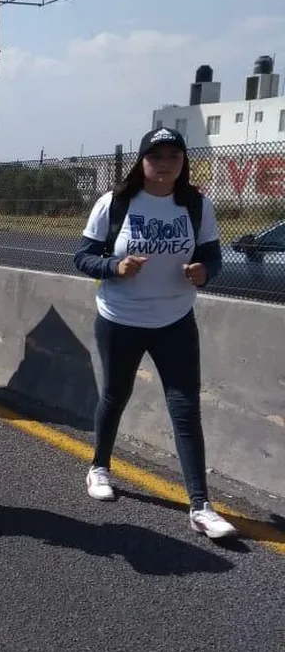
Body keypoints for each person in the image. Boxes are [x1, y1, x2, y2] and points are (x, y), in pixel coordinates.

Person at [72, 127, 236, 539]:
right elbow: (83, 258)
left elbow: (213, 256)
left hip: (175, 321)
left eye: (173, 158)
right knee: (115, 395)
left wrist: (204, 272)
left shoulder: (196, 205)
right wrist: (114, 268)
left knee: (185, 408)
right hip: (120, 318)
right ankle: (99, 468)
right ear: (142, 162)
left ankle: (200, 505)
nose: (165, 165)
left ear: (183, 163)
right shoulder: (115, 203)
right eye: (156, 157)